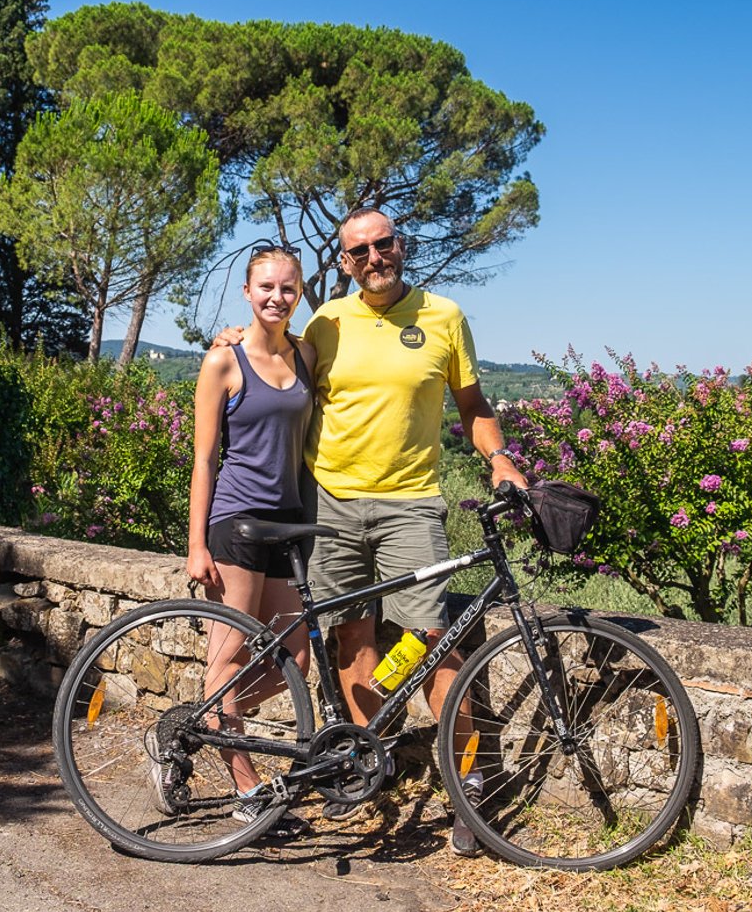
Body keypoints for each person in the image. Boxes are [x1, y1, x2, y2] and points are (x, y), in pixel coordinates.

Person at [219, 208, 526, 856]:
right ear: (345, 263)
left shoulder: (443, 316)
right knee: (350, 636)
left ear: (399, 245)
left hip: (412, 505)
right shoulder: (326, 321)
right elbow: (273, 361)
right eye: (357, 251)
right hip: (331, 504)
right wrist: (232, 339)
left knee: (435, 643)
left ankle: (467, 783)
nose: (373, 258)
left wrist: (499, 457)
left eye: (382, 244)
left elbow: (472, 407)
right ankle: (367, 764)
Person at [156, 241, 315, 838]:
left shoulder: (305, 355)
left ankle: (198, 724)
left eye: (288, 288)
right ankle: (248, 789)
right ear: (248, 293)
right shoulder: (224, 362)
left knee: (295, 660)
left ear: (300, 294)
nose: (277, 297)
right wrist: (195, 544)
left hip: (290, 523)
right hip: (236, 523)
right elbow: (203, 459)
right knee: (229, 657)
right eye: (266, 287)